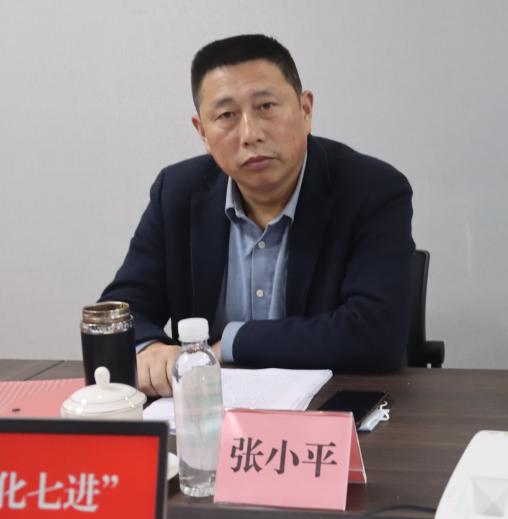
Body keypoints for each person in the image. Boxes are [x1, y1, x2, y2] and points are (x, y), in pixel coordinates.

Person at [101, 35, 415, 397]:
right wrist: (151, 348)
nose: (250, 134)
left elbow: (376, 334)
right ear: (202, 133)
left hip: (327, 412)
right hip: (207, 415)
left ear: (305, 110)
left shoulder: (372, 190)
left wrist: (232, 343)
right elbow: (117, 314)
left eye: (266, 106)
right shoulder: (177, 193)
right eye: (226, 115)